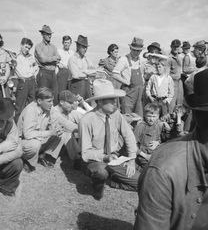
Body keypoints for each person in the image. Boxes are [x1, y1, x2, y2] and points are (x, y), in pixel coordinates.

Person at [133, 68, 208, 230]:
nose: (151, 118)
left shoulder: (164, 124)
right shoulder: (164, 171)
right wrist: (143, 154)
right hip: (144, 158)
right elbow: (134, 145)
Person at [79, 79, 139, 200]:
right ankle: (98, 184)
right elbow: (85, 153)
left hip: (116, 157)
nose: (115, 103)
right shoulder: (86, 120)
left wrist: (132, 159)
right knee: (101, 171)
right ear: (100, 102)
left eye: (115, 100)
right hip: (97, 159)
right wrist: (105, 157)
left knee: (141, 182)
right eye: (111, 100)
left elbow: (129, 135)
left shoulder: (116, 114)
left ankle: (114, 181)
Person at [17, 87, 62, 172]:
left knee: (61, 135)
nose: (52, 104)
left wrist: (57, 129)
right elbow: (28, 134)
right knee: (35, 144)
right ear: (39, 101)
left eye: (52, 101)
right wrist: (50, 132)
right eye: (49, 101)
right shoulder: (30, 110)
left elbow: (57, 121)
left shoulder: (47, 108)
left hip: (38, 138)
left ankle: (42, 156)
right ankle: (27, 161)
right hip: (23, 142)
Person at [112, 37, 145, 116]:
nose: (136, 52)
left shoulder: (140, 60)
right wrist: (126, 82)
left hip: (139, 94)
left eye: (138, 50)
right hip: (128, 93)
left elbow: (142, 75)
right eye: (134, 50)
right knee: (128, 116)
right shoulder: (124, 59)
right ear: (130, 48)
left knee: (139, 116)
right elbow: (114, 74)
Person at [134, 103, 171, 170]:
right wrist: (145, 156)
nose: (151, 119)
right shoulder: (140, 126)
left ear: (158, 116)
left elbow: (164, 139)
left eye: (154, 117)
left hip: (156, 154)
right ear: (145, 115)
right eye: (149, 116)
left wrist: (158, 143)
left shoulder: (158, 125)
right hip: (143, 156)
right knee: (153, 170)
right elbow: (133, 145)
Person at [50, 90, 81, 163]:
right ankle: (78, 158)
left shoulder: (67, 110)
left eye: (72, 102)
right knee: (67, 134)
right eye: (70, 103)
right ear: (61, 102)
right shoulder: (54, 112)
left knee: (75, 114)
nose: (72, 104)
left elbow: (81, 119)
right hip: (48, 144)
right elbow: (68, 126)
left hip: (59, 142)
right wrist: (86, 129)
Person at [14, 38, 39, 123]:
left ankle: (31, 125)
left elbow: (36, 67)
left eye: (29, 48)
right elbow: (19, 72)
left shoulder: (31, 57)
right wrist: (27, 73)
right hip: (23, 82)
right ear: (21, 45)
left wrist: (32, 74)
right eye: (25, 47)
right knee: (19, 106)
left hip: (32, 81)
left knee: (33, 105)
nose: (27, 49)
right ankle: (17, 129)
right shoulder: (16, 58)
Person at [34, 25, 60, 105]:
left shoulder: (53, 47)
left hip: (53, 73)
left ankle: (53, 116)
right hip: (43, 73)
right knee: (43, 96)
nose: (49, 36)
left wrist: (48, 59)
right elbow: (42, 59)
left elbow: (58, 58)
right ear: (42, 34)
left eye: (50, 34)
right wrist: (53, 58)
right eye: (47, 34)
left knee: (55, 95)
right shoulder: (38, 46)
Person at [67, 35, 95, 99]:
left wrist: (86, 73)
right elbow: (75, 75)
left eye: (86, 47)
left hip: (86, 85)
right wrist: (88, 73)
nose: (85, 49)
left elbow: (94, 71)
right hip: (76, 85)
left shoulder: (86, 59)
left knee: (88, 104)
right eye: (83, 47)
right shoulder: (72, 59)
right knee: (77, 106)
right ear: (78, 46)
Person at [167, 39, 184, 113]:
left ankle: (178, 121)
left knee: (180, 102)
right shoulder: (168, 58)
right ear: (171, 47)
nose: (176, 48)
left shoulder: (180, 57)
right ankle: (170, 121)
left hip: (180, 81)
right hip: (172, 83)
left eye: (177, 47)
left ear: (180, 47)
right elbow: (166, 74)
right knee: (172, 104)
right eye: (174, 47)